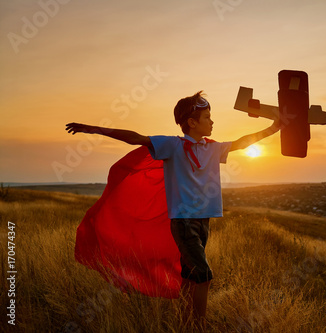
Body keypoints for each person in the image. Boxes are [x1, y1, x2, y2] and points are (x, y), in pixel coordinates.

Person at [65, 91, 280, 331]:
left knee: (189, 277)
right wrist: (93, 129)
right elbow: (136, 138)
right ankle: (199, 326)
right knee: (203, 276)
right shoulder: (173, 145)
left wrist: (273, 128)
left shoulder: (212, 148)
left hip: (203, 221)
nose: (212, 122)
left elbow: (243, 142)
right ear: (192, 122)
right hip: (184, 222)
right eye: (207, 117)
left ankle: (186, 323)